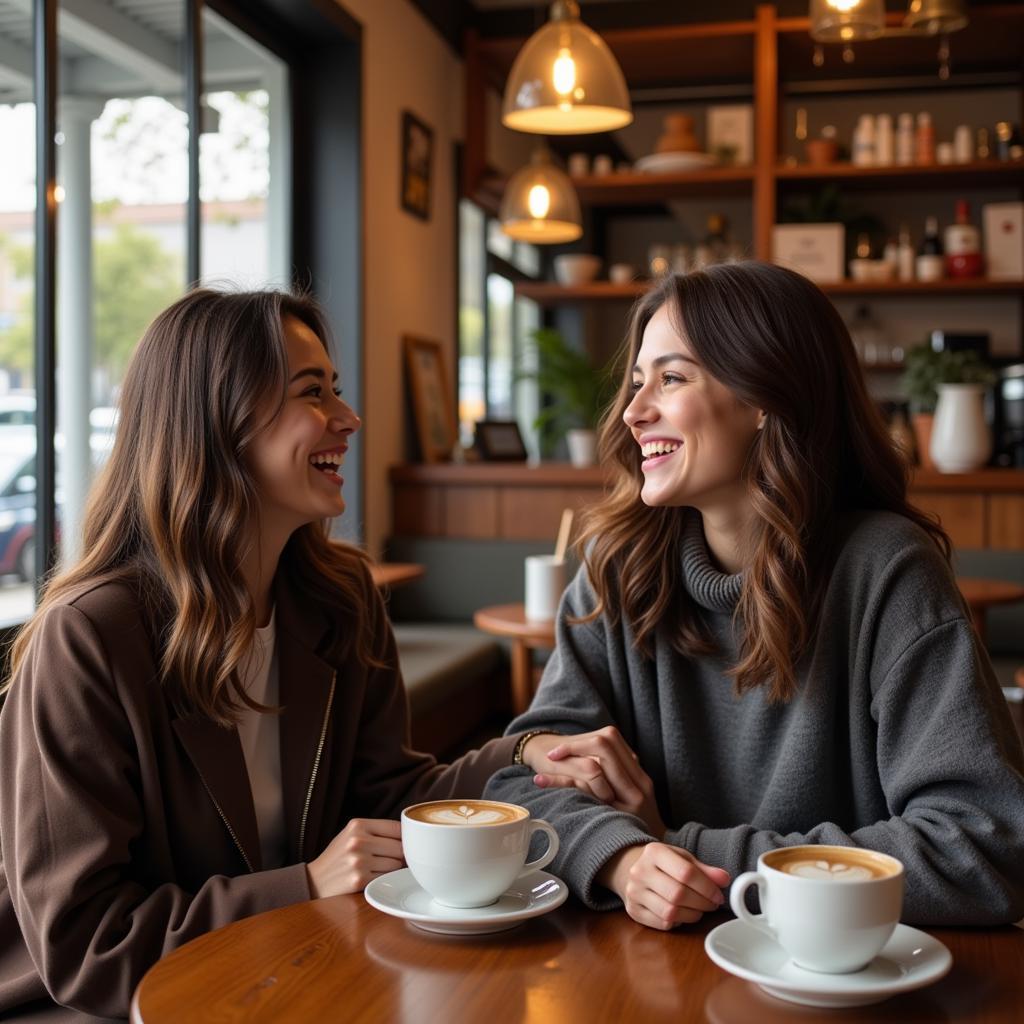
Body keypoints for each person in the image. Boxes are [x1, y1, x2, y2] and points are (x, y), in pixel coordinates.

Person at [0, 288, 643, 1020]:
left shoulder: (340, 603)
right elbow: (84, 946)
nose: (350, 418)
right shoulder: (90, 638)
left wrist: (524, 753)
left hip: (285, 971)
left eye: (336, 389)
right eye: (314, 393)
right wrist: (302, 886)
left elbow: (386, 796)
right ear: (218, 421)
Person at [486, 261, 1024, 932]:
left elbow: (982, 846)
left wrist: (689, 854)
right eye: (635, 381)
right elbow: (518, 787)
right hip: (654, 975)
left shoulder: (886, 571)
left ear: (766, 394)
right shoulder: (615, 568)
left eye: (671, 378)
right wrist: (623, 859)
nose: (632, 411)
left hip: (840, 978)